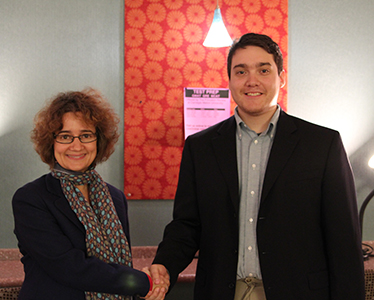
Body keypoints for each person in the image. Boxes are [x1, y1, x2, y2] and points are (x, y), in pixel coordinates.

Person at [148, 33, 365, 299]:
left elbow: (343, 240)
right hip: (222, 292)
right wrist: (164, 264)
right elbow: (187, 225)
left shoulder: (322, 144)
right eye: (241, 71)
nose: (252, 81)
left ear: (281, 78)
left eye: (264, 70)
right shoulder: (201, 148)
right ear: (229, 80)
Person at [12, 88, 167, 300]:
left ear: (98, 140)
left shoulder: (116, 197)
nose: (77, 146)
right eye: (65, 136)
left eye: (86, 135)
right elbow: (69, 267)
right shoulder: (31, 198)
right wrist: (142, 282)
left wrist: (142, 283)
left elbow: (121, 260)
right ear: (52, 142)